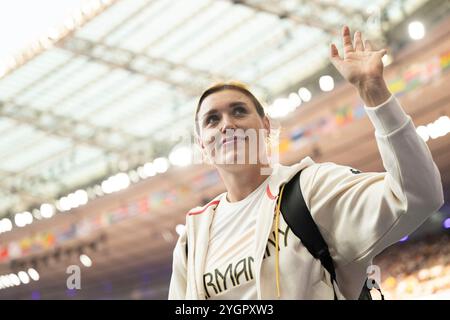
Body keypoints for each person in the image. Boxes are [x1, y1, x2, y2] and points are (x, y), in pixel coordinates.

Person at [168, 26, 444, 300]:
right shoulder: (192, 238)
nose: (227, 124)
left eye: (238, 111)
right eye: (212, 120)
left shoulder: (310, 189)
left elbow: (416, 196)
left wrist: (374, 94)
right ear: (203, 146)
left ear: (265, 127)